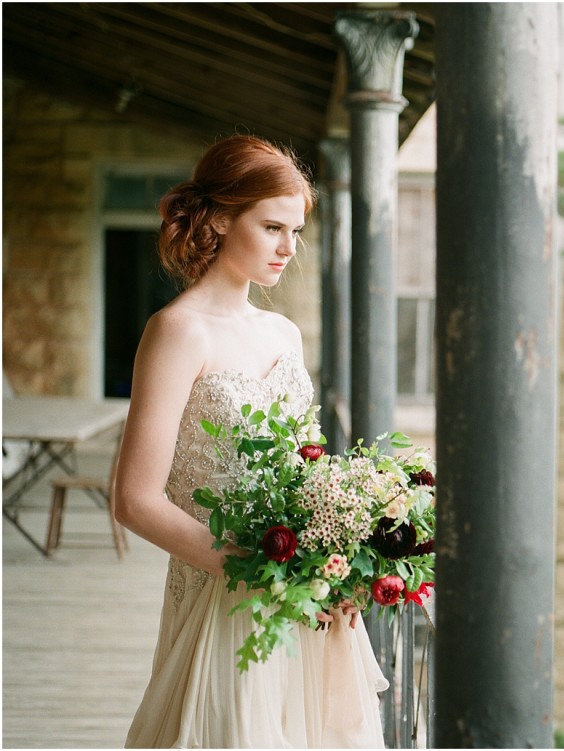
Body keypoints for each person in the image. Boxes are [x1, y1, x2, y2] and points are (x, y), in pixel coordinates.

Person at [114, 135, 388, 748]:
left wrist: (335, 564)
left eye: (295, 230)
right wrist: (255, 573)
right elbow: (134, 500)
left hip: (303, 594)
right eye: (271, 228)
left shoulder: (284, 333)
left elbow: (308, 468)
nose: (289, 248)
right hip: (225, 591)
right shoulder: (176, 332)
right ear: (217, 219)